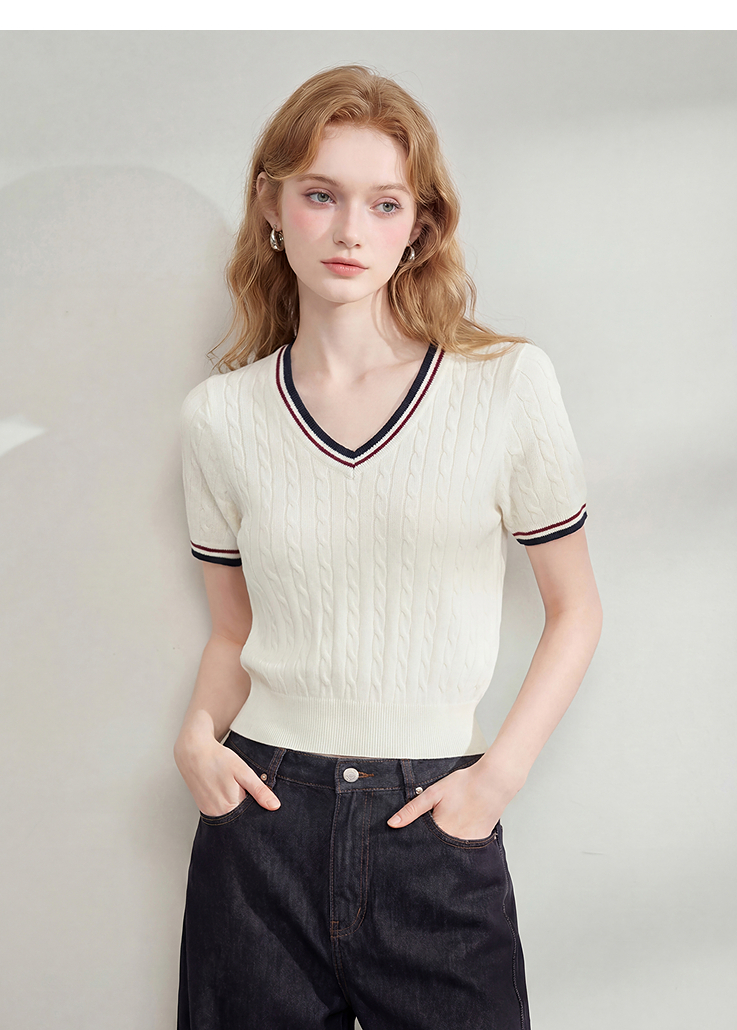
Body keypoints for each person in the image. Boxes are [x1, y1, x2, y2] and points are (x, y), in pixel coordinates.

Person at [174, 65, 602, 1030]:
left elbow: (577, 609)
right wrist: (196, 738)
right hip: (260, 821)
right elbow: (232, 631)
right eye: (320, 194)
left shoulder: (506, 386)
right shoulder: (219, 417)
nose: (350, 231)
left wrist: (494, 783)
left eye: (385, 203)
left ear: (419, 225)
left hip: (433, 825)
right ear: (272, 205)